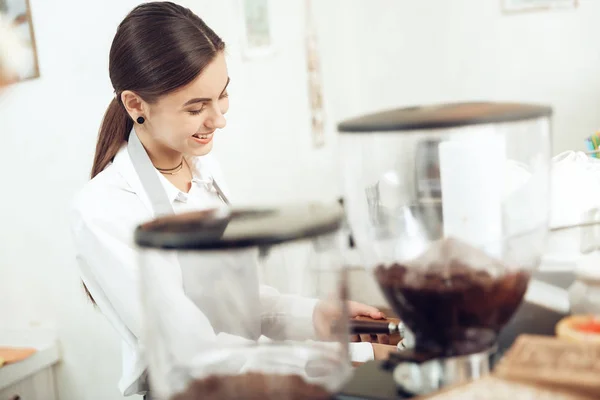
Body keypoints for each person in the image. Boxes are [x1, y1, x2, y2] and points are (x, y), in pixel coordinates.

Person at [71, 2, 398, 397]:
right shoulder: (104, 210)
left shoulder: (206, 173)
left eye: (221, 97)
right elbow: (195, 351)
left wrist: (313, 316)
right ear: (135, 104)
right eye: (196, 108)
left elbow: (239, 304)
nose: (218, 119)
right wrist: (346, 358)